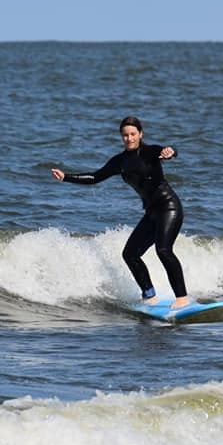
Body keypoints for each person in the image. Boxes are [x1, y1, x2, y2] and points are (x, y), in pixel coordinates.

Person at [51, 117, 191, 308]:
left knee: (163, 250)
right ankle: (149, 295)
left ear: (140, 134)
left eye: (133, 134)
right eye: (125, 135)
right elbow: (95, 177)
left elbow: (169, 151)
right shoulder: (120, 161)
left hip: (169, 207)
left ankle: (182, 298)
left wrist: (171, 152)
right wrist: (66, 177)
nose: (129, 138)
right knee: (130, 254)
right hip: (151, 213)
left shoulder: (150, 152)